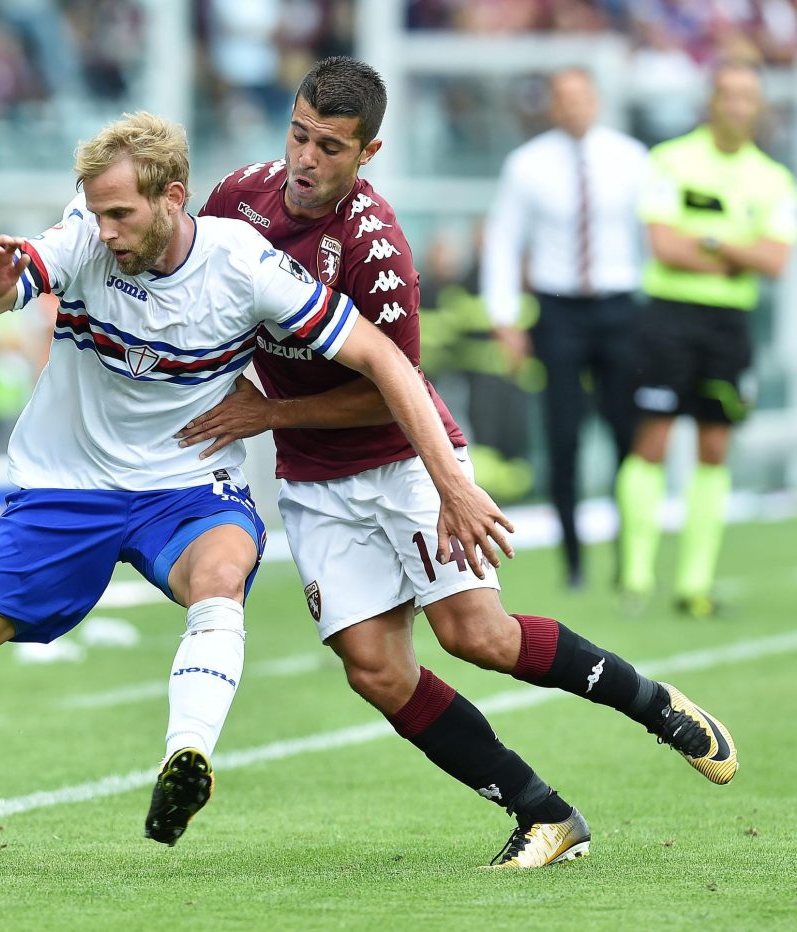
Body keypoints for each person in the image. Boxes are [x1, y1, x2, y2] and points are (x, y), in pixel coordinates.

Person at [0, 110, 512, 861]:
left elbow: (385, 359)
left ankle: (185, 756)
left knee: (222, 574)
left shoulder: (245, 265)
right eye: (96, 211)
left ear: (174, 198)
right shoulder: (81, 238)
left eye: (121, 213)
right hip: (64, 487)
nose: (105, 230)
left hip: (187, 486)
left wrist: (451, 481)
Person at [186, 56, 738, 869]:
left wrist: (275, 415)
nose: (306, 159)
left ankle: (656, 706)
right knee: (374, 669)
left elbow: (392, 389)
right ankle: (545, 815)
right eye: (300, 135)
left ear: (367, 153)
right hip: (312, 478)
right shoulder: (238, 198)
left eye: (331, 147)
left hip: (402, 458)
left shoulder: (376, 249)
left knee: (478, 636)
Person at [615, 60, 796, 618]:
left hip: (728, 327)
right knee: (654, 438)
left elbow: (774, 259)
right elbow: (665, 246)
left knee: (714, 448)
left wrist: (709, 241)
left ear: (757, 107)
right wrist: (733, 248)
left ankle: (695, 584)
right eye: (729, 94)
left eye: (749, 97)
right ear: (711, 101)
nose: (739, 106)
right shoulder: (671, 159)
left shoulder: (773, 178)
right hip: (669, 318)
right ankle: (637, 575)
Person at [481, 67, 648, 589]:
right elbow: (505, 240)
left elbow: (652, 235)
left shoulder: (631, 159)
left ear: (595, 100)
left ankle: (632, 557)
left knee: (629, 435)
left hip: (620, 307)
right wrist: (504, 316)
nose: (573, 106)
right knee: (563, 434)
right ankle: (574, 562)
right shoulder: (527, 166)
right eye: (563, 97)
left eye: (581, 96)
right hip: (558, 311)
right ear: (552, 104)